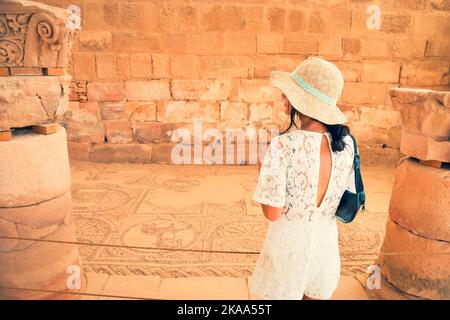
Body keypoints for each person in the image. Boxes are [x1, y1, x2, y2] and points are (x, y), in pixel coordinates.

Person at [249, 57, 356, 300]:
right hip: (325, 247)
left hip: (287, 251)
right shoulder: (348, 145)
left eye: (287, 93)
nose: (283, 98)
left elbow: (272, 213)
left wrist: (263, 170)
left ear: (301, 100)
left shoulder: (283, 145)